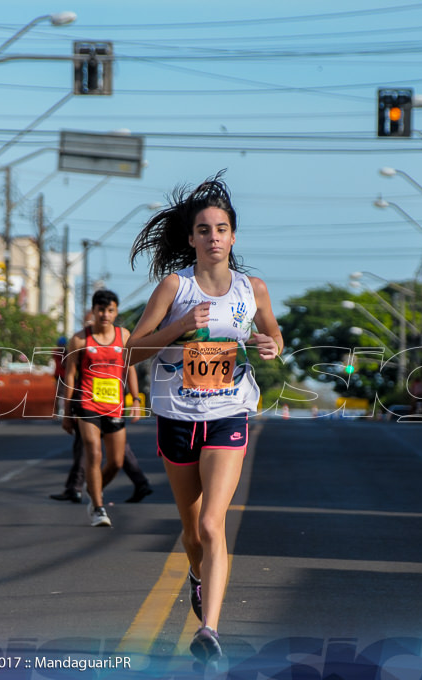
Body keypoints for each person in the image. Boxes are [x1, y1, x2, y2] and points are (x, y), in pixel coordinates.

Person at [126, 173, 283, 665]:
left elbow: (273, 336)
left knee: (214, 524)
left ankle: (210, 629)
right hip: (176, 414)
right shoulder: (176, 285)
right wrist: (178, 326)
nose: (213, 237)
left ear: (233, 237)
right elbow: (132, 350)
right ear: (191, 238)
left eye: (221, 229)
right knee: (192, 530)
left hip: (227, 413)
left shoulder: (251, 289)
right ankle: (198, 577)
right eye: (204, 229)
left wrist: (268, 344)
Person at [60, 289, 143, 527]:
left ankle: (92, 487)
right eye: (101, 310)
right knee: (93, 452)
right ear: (93, 310)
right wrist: (67, 414)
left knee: (116, 462)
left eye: (110, 310)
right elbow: (70, 377)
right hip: (87, 405)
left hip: (114, 406)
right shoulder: (79, 339)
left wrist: (135, 400)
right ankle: (98, 507)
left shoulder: (124, 336)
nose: (105, 315)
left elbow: (130, 369)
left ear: (116, 312)